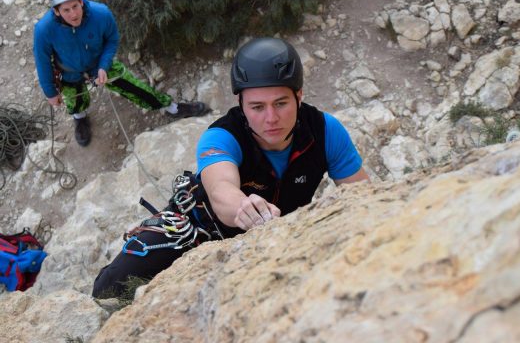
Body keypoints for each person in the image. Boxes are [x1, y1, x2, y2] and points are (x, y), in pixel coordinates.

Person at [92, 37, 369, 298]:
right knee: (111, 286)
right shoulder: (222, 136)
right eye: (257, 107)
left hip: (280, 236)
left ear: (299, 96)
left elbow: (363, 198)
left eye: (281, 103)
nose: (271, 118)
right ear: (241, 104)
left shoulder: (324, 132)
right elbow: (220, 188)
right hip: (199, 229)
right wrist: (244, 208)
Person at [33, 0, 210, 147]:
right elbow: (42, 62)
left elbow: (112, 40)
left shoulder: (100, 13)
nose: (73, 14)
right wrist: (50, 93)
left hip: (100, 64)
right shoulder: (43, 30)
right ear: (56, 11)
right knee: (76, 101)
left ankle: (172, 108)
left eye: (75, 6)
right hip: (69, 73)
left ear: (80, 1)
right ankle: (80, 119)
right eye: (66, 10)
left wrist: (103, 67)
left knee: (137, 88)